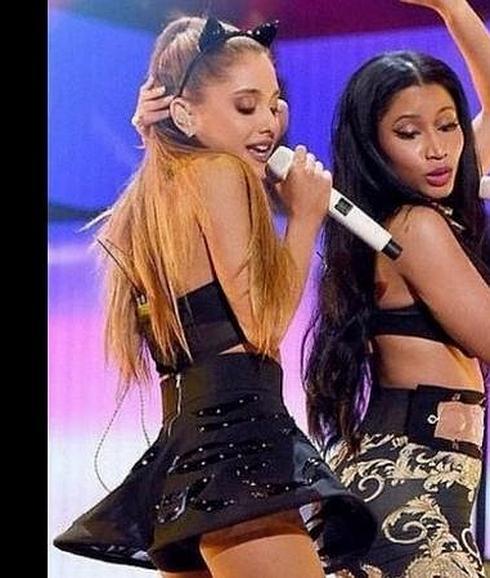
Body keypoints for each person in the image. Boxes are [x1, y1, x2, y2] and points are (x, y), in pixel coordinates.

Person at [53, 15, 377, 578]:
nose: (269, 123)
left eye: (274, 104)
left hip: (185, 462)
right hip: (238, 449)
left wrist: (154, 133)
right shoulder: (222, 174)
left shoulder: (152, 199)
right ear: (184, 113)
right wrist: (305, 217)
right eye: (246, 106)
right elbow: (262, 326)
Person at [304, 1, 490, 576]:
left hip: (413, 484)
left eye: (448, 125)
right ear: (374, 147)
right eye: (409, 133)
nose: (437, 148)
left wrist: (452, 8)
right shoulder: (414, 226)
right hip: (409, 491)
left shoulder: (415, 212)